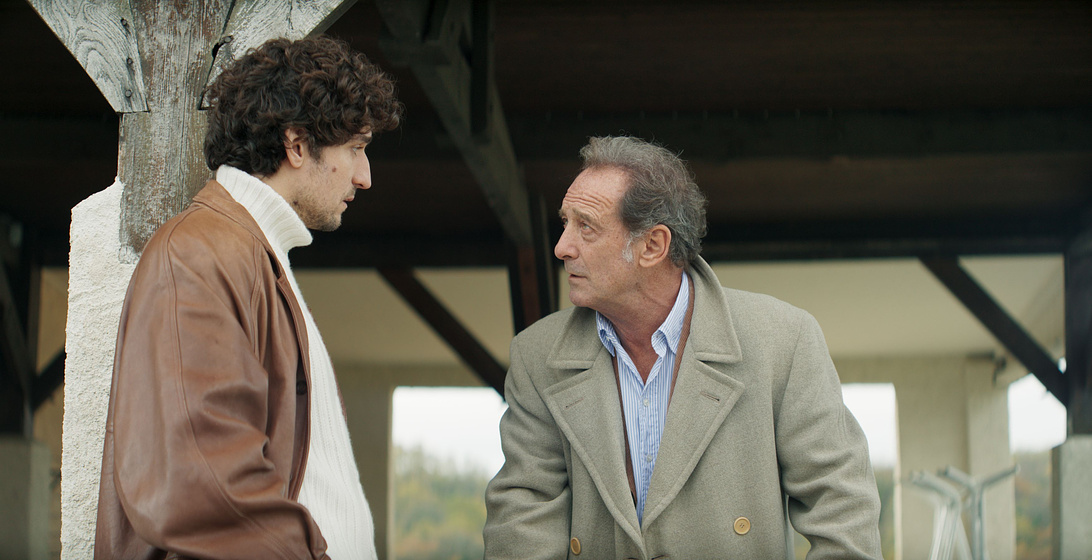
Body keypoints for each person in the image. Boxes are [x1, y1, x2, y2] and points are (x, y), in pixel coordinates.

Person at [483, 136, 882, 559]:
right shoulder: (536, 356)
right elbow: (520, 529)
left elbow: (844, 514)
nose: (562, 246)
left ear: (653, 245)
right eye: (565, 223)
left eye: (587, 226)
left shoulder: (783, 340)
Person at [94, 36, 402, 559]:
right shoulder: (197, 255)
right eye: (356, 148)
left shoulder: (250, 255)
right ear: (298, 145)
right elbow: (199, 483)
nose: (365, 177)